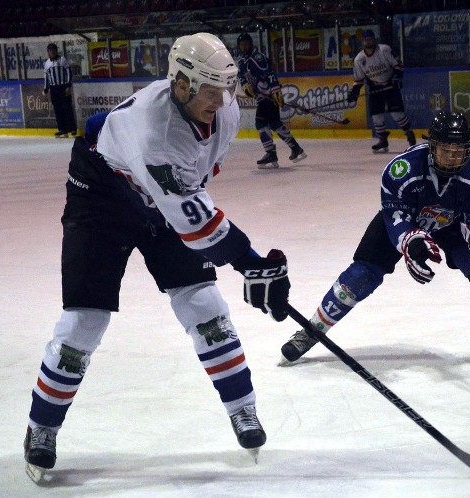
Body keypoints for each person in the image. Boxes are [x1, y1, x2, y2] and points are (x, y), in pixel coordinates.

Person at [22, 33, 292, 482]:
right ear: (181, 85)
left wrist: (249, 261)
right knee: (84, 321)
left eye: (226, 89)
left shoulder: (222, 110)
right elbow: (198, 223)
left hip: (160, 194)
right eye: (211, 90)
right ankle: (41, 426)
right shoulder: (154, 135)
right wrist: (250, 262)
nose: (223, 100)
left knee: (205, 306)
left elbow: (194, 185)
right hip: (101, 195)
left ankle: (242, 409)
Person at [278, 111, 470, 365]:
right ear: (432, 146)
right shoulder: (402, 170)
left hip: (453, 225)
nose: (452, 158)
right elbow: (396, 214)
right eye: (446, 150)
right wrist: (411, 241)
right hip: (404, 221)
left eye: (459, 151)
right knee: (363, 273)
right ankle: (313, 330)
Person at [235, 32, 306, 169]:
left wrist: (276, 91)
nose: (244, 47)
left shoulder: (258, 58)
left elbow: (270, 75)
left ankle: (271, 153)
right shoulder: (243, 62)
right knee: (275, 124)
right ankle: (296, 148)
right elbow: (241, 77)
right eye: (241, 45)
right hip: (263, 98)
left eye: (246, 44)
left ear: (251, 44)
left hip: (268, 98)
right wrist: (245, 86)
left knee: (261, 123)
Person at [346, 29, 416, 154]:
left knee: (397, 113)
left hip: (390, 86)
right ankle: (382, 139)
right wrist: (354, 93)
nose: (368, 41)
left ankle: (409, 134)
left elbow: (398, 65)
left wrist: (396, 78)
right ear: (362, 42)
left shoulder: (384, 50)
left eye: (370, 39)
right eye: (365, 39)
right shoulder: (359, 59)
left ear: (374, 39)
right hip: (375, 87)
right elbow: (359, 80)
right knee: (376, 115)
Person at [43, 42, 78, 138]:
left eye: (53, 51)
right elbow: (46, 77)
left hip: (63, 87)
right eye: (50, 51)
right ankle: (62, 129)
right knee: (58, 110)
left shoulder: (62, 59)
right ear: (48, 52)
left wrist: (68, 85)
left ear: (56, 51)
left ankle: (72, 129)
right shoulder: (47, 63)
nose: (52, 52)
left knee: (67, 108)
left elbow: (68, 72)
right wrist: (45, 90)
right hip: (54, 89)